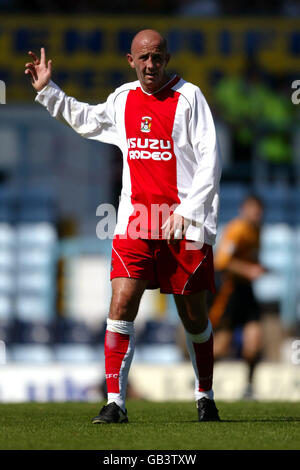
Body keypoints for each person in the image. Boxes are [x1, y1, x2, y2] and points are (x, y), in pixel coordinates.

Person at [25, 29, 222, 423]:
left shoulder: (190, 98)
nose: (151, 65)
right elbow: (86, 120)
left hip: (183, 226)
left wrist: (188, 210)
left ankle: (204, 395)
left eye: (158, 57)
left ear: (168, 58)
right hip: (135, 222)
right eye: (144, 58)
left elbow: (210, 160)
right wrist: (48, 91)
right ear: (129, 61)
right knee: (120, 304)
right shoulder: (122, 100)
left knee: (194, 318)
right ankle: (115, 401)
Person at [209, 194, 266, 399]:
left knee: (254, 341)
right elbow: (222, 262)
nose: (256, 215)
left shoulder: (257, 231)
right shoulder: (237, 230)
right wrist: (249, 270)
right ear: (244, 210)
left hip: (247, 291)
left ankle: (249, 387)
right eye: (253, 210)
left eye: (259, 211)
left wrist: (258, 268)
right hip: (230, 290)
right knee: (222, 346)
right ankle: (203, 382)